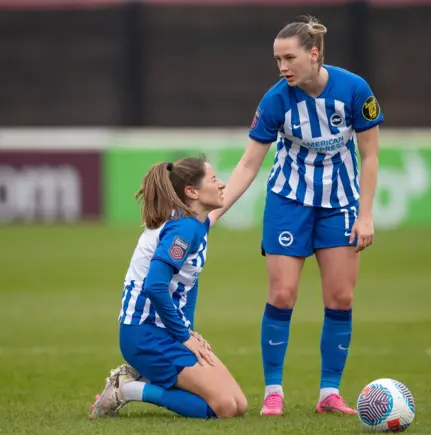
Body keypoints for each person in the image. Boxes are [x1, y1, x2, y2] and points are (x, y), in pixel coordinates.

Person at [209, 15, 384, 416]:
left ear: (314, 54)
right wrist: (216, 212)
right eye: (277, 60)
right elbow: (250, 164)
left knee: (340, 296)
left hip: (340, 203)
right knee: (282, 294)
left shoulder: (355, 90)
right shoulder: (275, 101)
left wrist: (366, 214)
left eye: (289, 57)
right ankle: (274, 390)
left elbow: (370, 155)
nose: (283, 67)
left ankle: (329, 393)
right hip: (288, 202)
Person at [90, 157, 247, 420]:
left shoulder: (196, 222)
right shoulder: (183, 230)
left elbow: (185, 287)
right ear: (192, 192)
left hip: (165, 332)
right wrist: (185, 336)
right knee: (225, 408)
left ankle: (141, 379)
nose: (222, 185)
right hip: (145, 335)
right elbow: (155, 285)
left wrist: (188, 332)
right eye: (214, 180)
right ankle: (127, 390)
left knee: (239, 404)